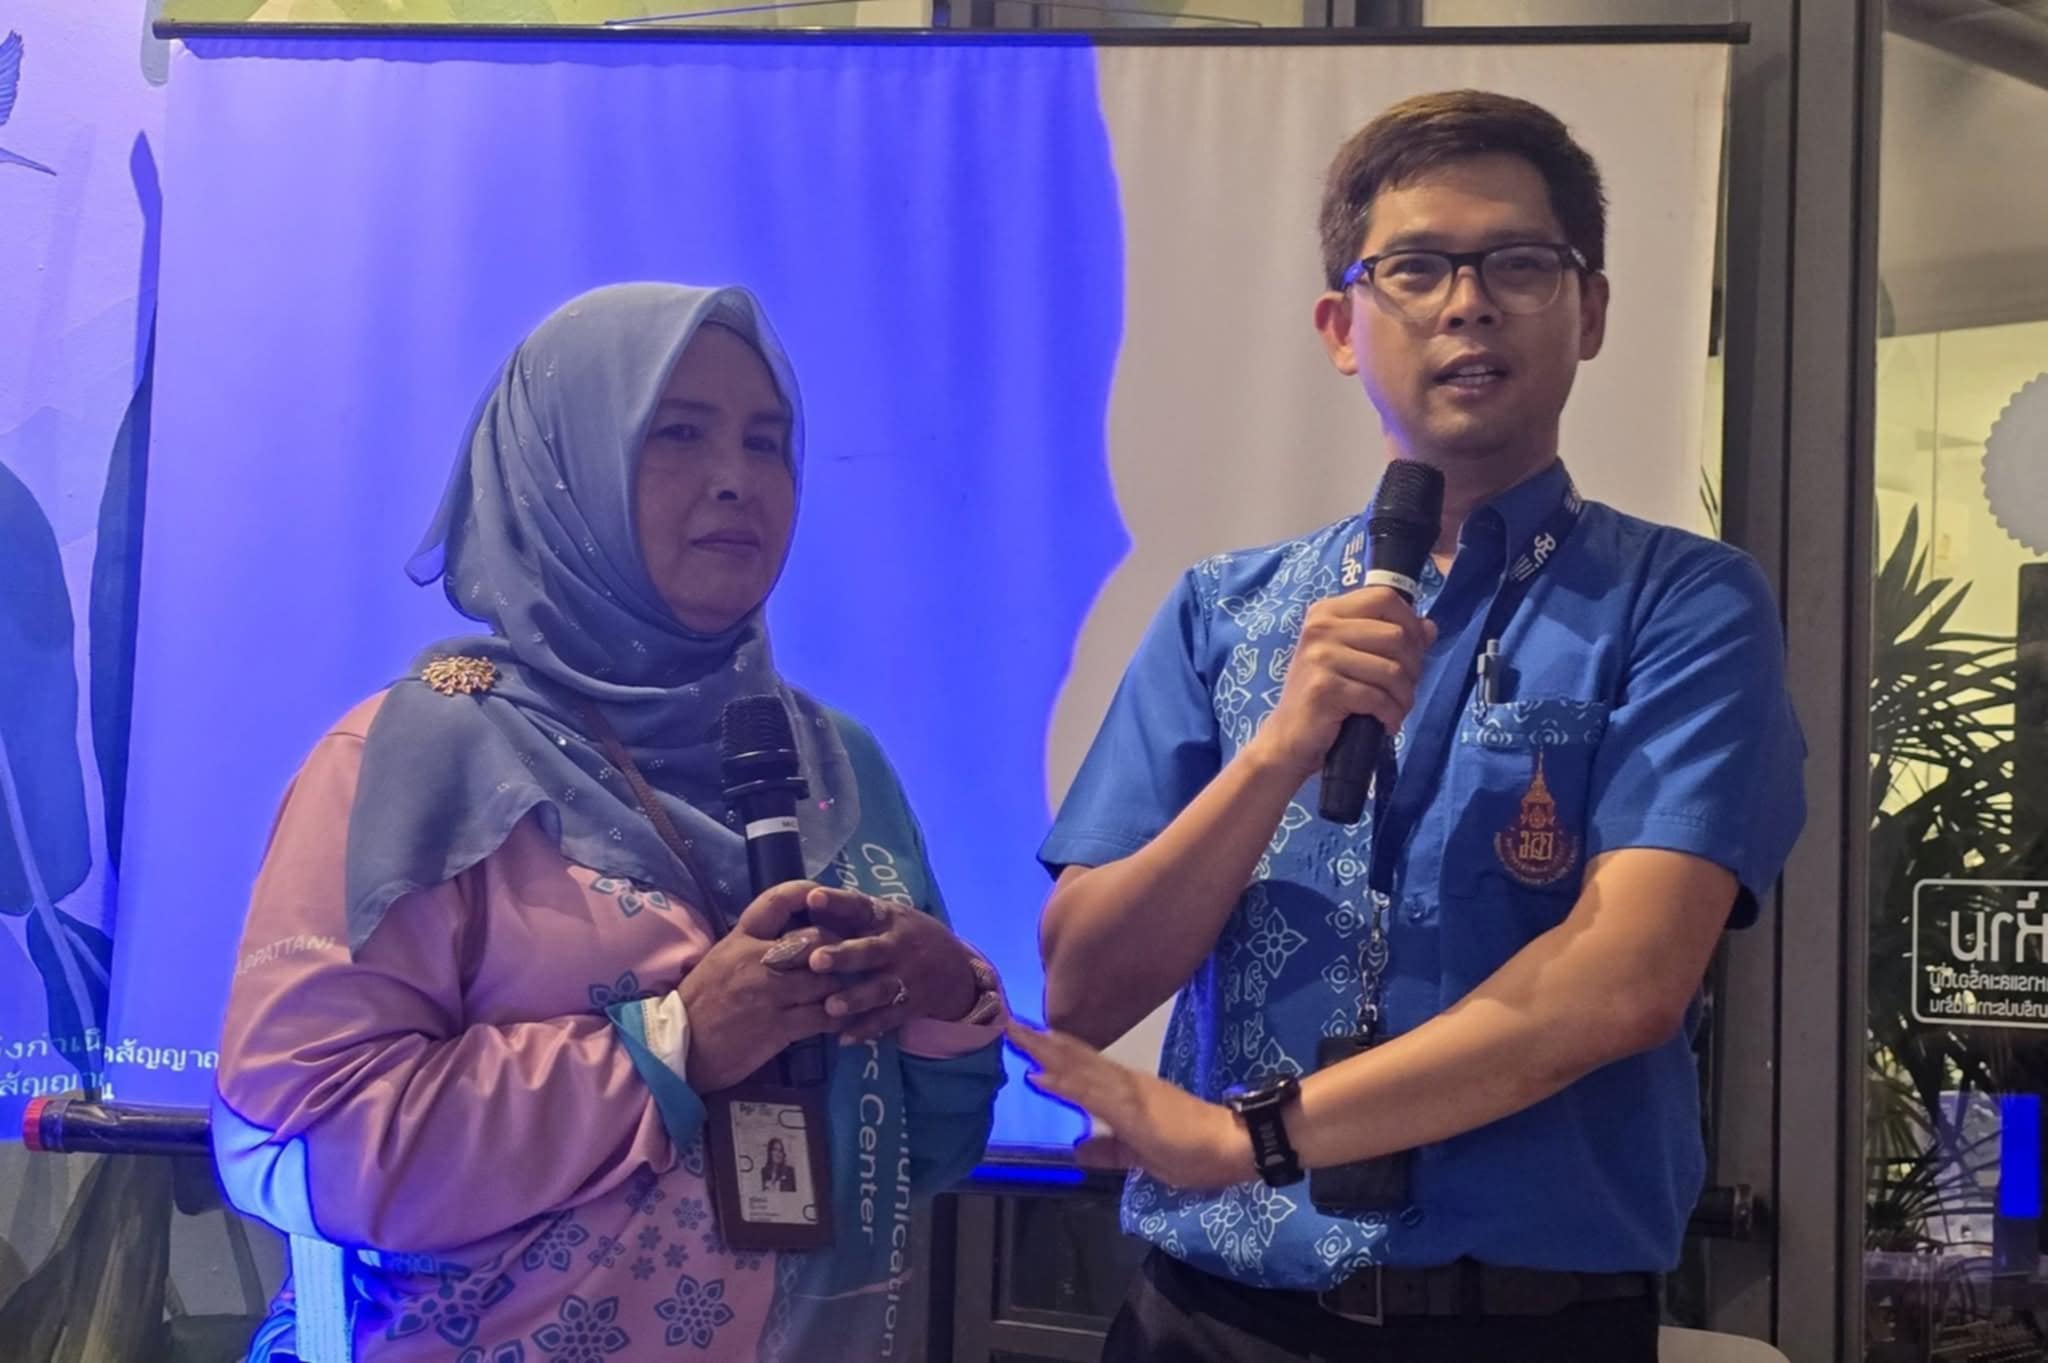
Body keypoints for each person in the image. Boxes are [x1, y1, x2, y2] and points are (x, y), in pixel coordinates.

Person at [1014, 90, 1806, 1362]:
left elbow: (1621, 984)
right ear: (1341, 327)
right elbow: (1084, 985)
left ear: (1590, 311)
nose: (1467, 304)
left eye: (1518, 264)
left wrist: (1250, 1135)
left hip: (1518, 1326)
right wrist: (1277, 750)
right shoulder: (1226, 610)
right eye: (1416, 268)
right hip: (1207, 1318)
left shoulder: (1678, 602)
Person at [213, 282, 1006, 1363]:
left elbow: (919, 1161)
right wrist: (673, 1045)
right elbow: (296, 1140)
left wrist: (943, 1001)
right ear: (562, 462)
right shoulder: (420, 759)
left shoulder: (837, 763)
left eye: (765, 441)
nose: (736, 478)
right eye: (676, 432)